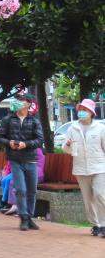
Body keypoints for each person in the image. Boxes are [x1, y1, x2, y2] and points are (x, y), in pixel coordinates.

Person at [0, 98, 44, 231]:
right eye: (17, 100)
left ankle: (29, 218)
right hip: (15, 159)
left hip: (31, 160)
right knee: (20, 189)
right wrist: (9, 143)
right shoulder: (8, 119)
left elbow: (40, 140)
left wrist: (26, 144)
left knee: (32, 191)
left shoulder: (34, 121)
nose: (18, 103)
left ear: (28, 104)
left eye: (21, 101)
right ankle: (23, 217)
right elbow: (0, 137)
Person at [63, 99, 105, 238]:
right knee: (88, 199)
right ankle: (96, 225)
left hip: (100, 167)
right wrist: (68, 145)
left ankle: (104, 224)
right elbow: (67, 150)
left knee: (100, 195)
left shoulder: (100, 128)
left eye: (84, 110)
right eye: (80, 109)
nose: (81, 112)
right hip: (81, 168)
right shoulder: (72, 128)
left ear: (91, 112)